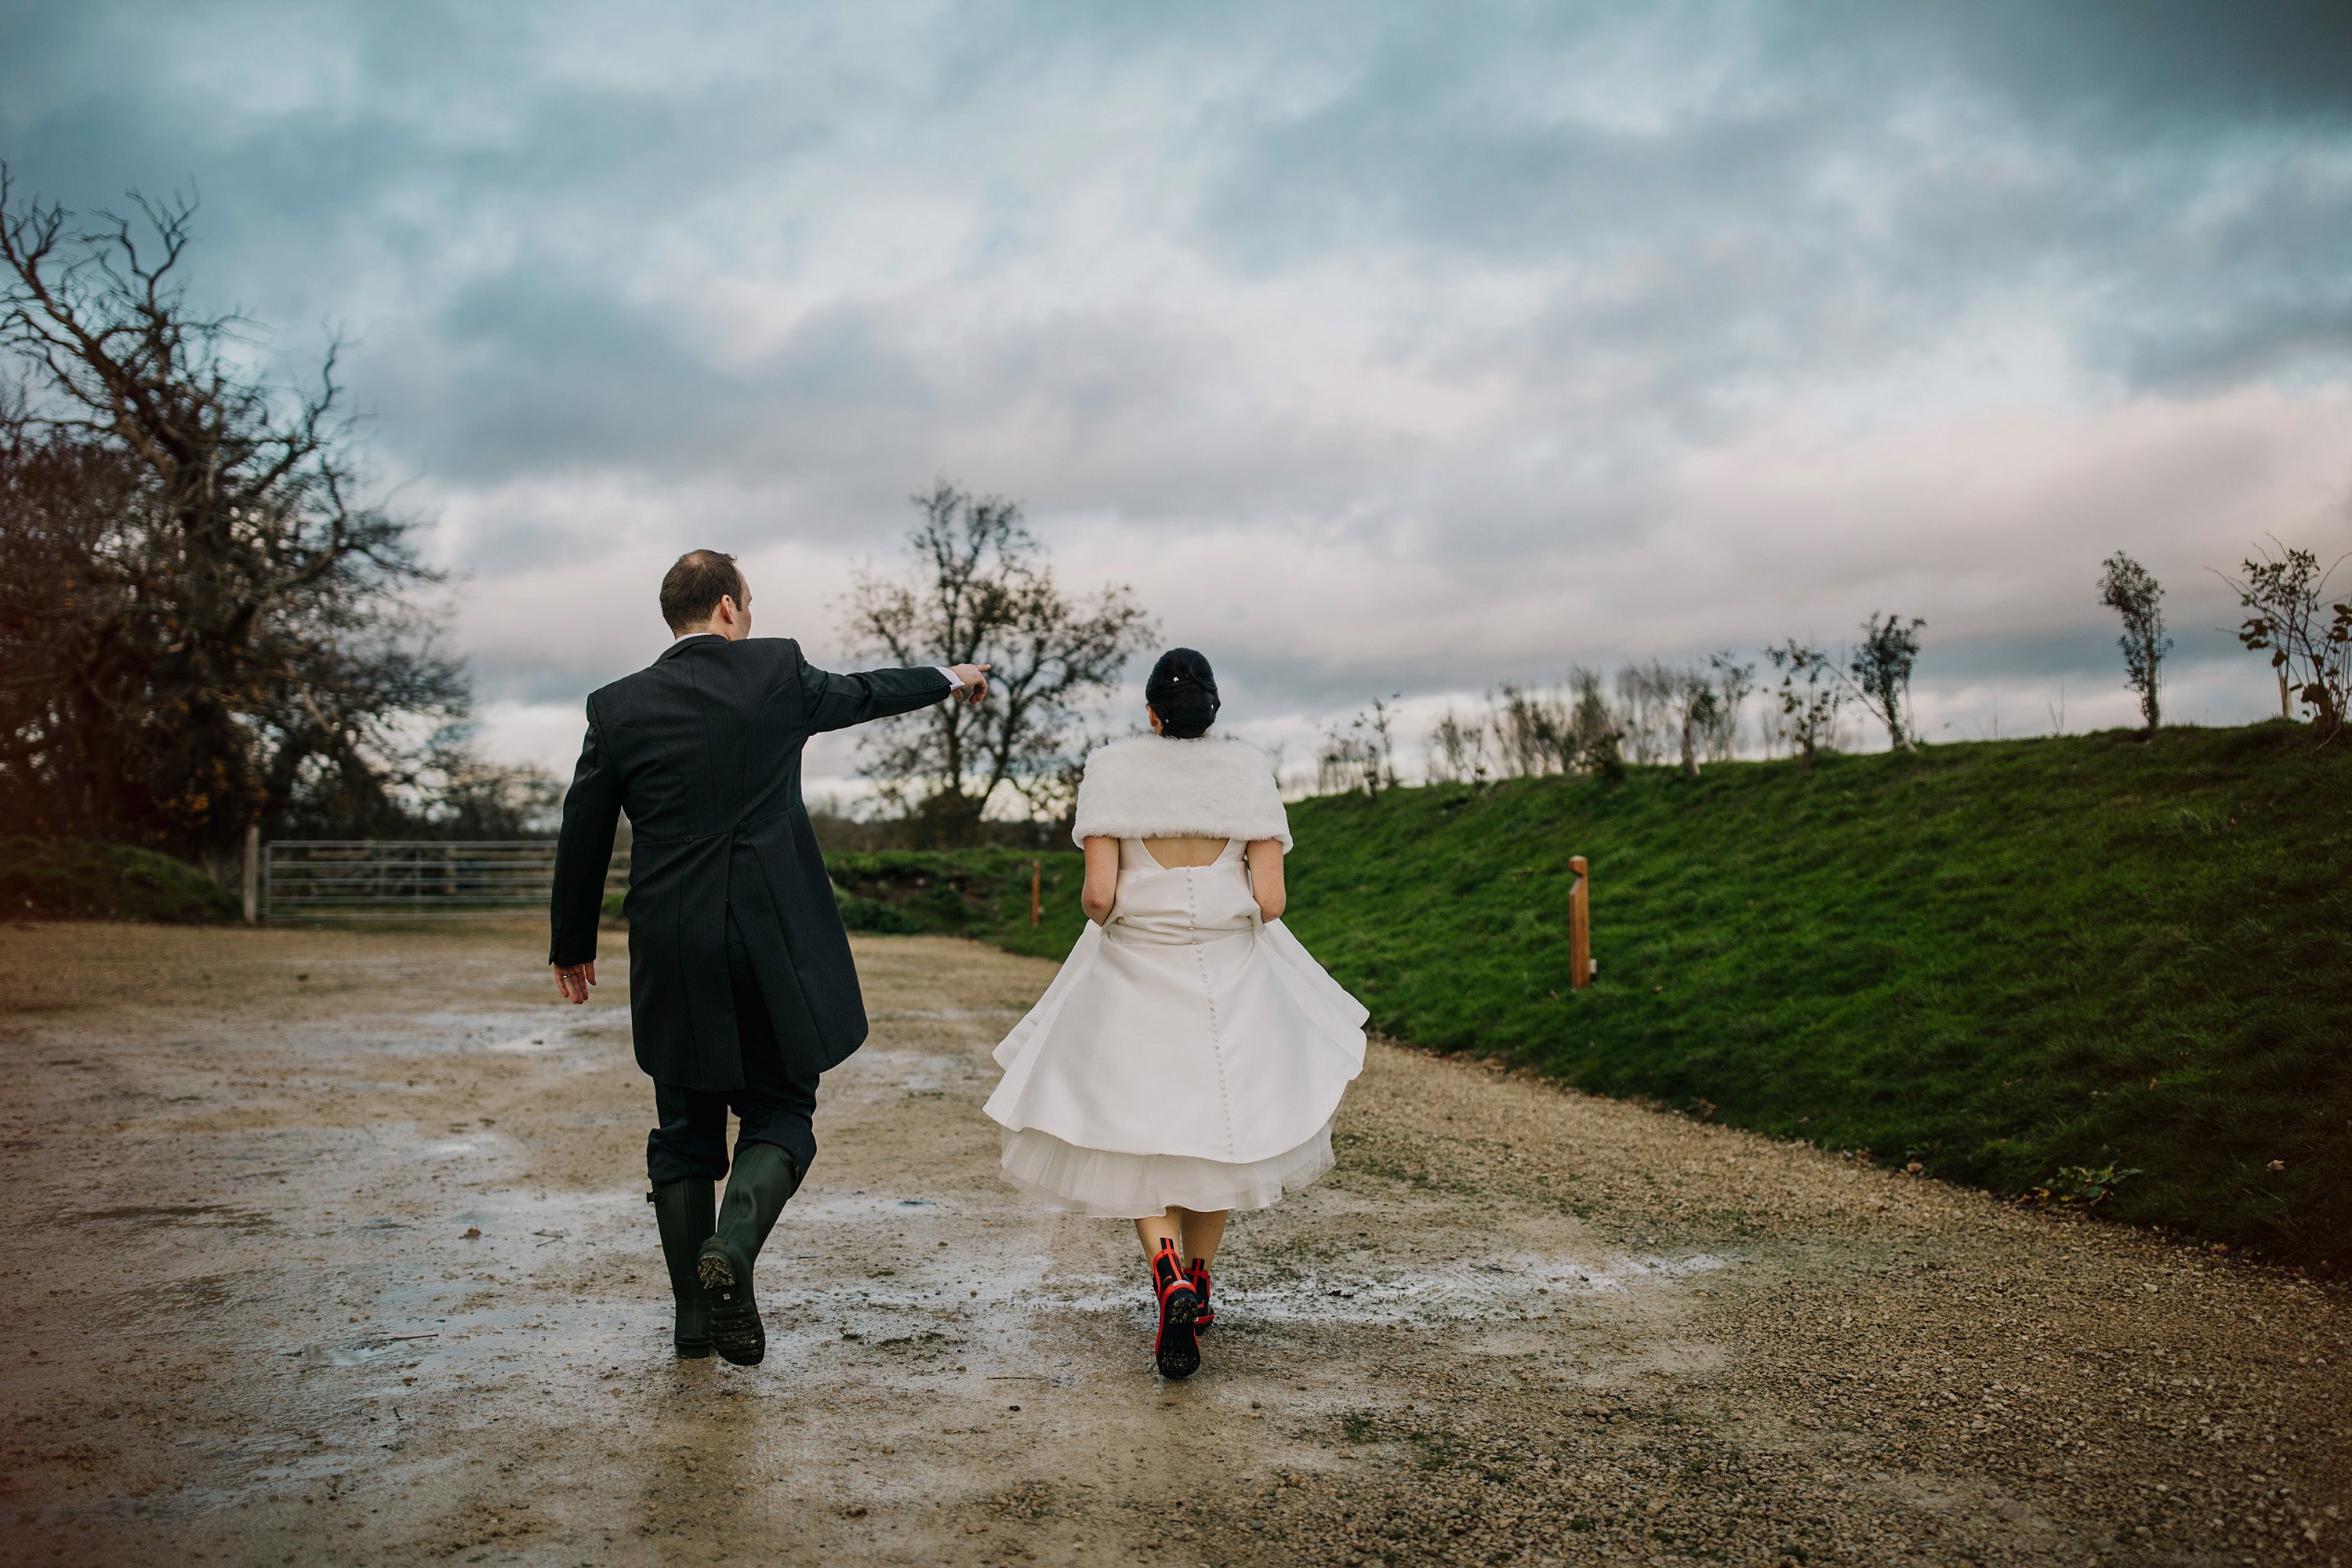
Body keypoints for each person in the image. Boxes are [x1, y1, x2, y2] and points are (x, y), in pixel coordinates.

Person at [547, 549, 989, 1366]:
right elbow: (862, 693)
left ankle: (692, 1321)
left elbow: (585, 826)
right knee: (782, 1104)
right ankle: (736, 1248)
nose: (749, 617)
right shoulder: (774, 672)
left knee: (682, 1127)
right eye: (746, 603)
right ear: (725, 606)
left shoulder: (616, 707)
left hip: (673, 943)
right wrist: (947, 675)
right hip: (771, 938)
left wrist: (570, 941)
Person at [983, 648, 1368, 1378]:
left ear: (1153, 713)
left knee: (1135, 1132)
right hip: (1229, 970)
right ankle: (1202, 1280)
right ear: (1213, 711)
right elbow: (1272, 902)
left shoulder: (1114, 770)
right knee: (1222, 1135)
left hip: (1135, 967)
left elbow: (1098, 899)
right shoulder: (1248, 773)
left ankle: (1168, 1276)